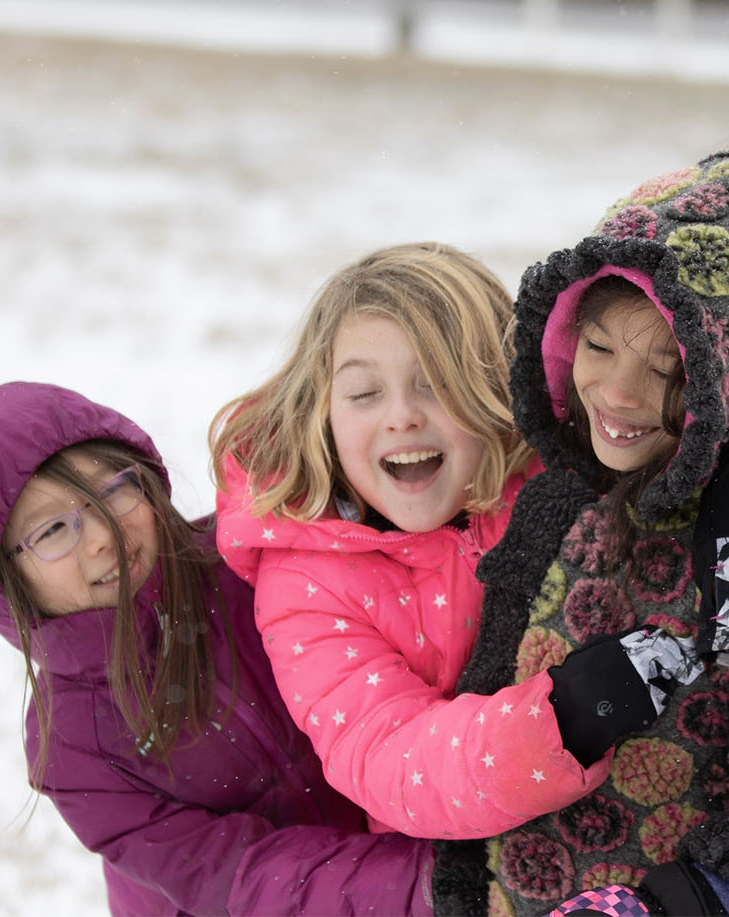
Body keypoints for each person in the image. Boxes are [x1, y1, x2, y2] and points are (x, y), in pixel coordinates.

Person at [435, 146, 729, 917]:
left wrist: (689, 902)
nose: (619, 393)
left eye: (669, 371)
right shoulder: (554, 493)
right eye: (598, 348)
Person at [0, 381, 432, 916]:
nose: (102, 536)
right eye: (51, 531)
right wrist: (424, 886)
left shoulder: (251, 560)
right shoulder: (75, 743)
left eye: (113, 489)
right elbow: (234, 874)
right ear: (2, 582)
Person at [210, 241, 655, 846]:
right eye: (365, 394)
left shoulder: (559, 471)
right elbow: (386, 752)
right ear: (324, 414)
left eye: (435, 385)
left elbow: (716, 362)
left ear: (500, 391)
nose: (401, 417)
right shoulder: (308, 580)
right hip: (460, 866)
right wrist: (556, 723)